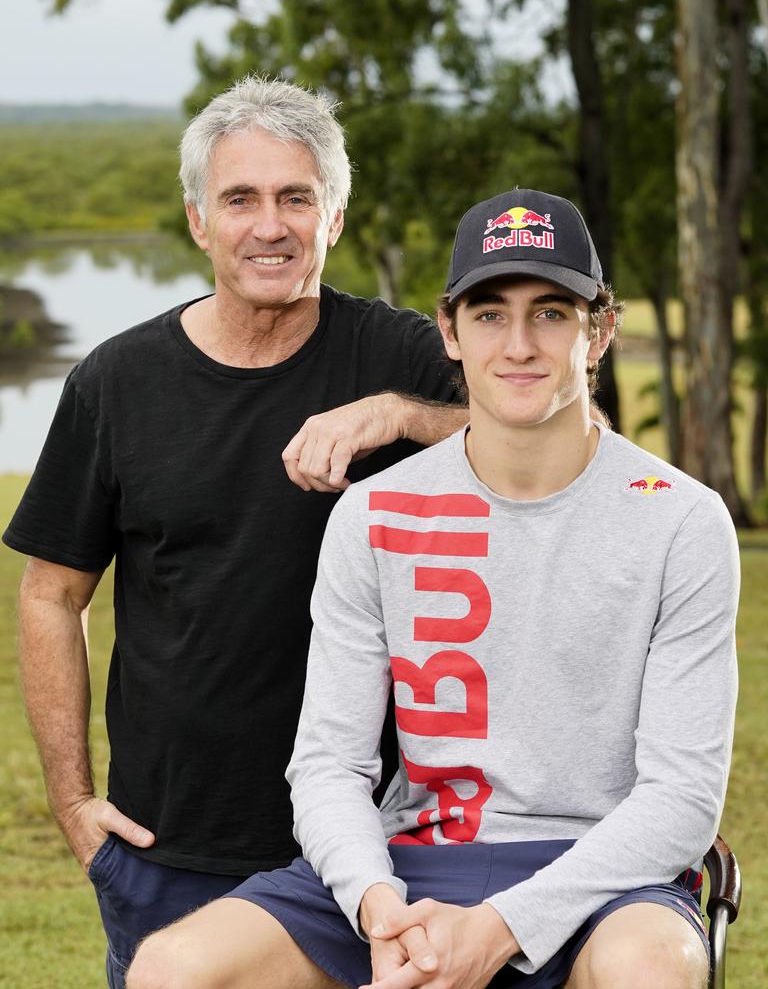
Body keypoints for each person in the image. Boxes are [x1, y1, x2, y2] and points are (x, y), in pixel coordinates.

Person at [126, 188, 739, 989]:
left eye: (552, 313)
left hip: (602, 882)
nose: (520, 344)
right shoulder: (374, 514)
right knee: (172, 969)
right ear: (448, 330)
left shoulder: (681, 522)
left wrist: (502, 928)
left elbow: (683, 801)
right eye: (489, 314)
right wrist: (376, 904)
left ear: (600, 332)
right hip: (414, 865)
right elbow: (327, 766)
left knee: (651, 968)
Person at [2, 77, 467, 987]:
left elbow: (560, 437)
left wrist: (395, 415)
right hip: (168, 847)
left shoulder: (402, 355)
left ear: (333, 218)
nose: (271, 225)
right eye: (241, 198)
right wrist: (72, 804)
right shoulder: (115, 382)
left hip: (377, 847)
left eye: (298, 197)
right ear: (197, 221)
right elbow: (52, 595)